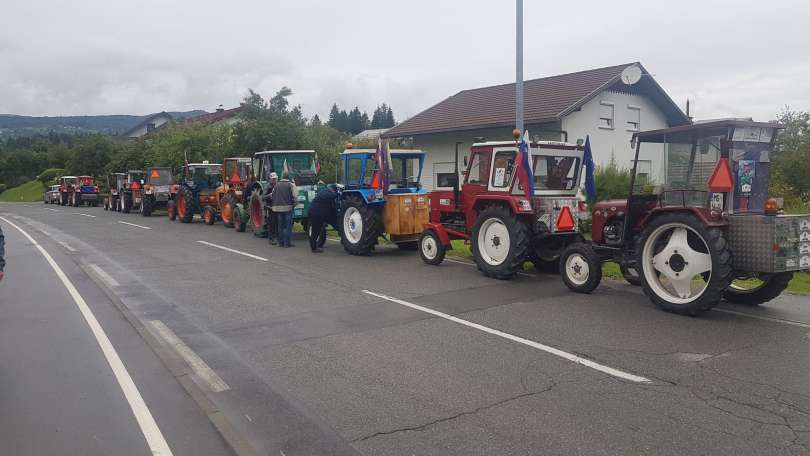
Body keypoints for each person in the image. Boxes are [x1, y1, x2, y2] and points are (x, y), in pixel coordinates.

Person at [308, 184, 340, 253]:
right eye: (335, 191)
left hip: (321, 213)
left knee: (331, 224)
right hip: (316, 213)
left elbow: (332, 207)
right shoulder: (325, 192)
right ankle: (313, 248)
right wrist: (338, 194)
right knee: (316, 230)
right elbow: (328, 197)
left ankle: (317, 245)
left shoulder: (328, 193)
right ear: (332, 190)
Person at [270, 172, 297, 248]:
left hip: (278, 208)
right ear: (288, 177)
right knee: (288, 226)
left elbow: (272, 196)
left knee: (280, 226)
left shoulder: (276, 185)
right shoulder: (290, 185)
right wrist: (294, 205)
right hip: (288, 208)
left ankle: (280, 243)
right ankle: (286, 243)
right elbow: (295, 197)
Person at [262, 172, 279, 244]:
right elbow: (263, 197)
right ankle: (271, 239)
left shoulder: (278, 186)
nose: (274, 180)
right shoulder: (268, 186)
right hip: (270, 207)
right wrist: (269, 195)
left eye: (275, 179)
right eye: (273, 179)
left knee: (277, 223)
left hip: (277, 206)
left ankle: (277, 238)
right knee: (271, 223)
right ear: (270, 179)